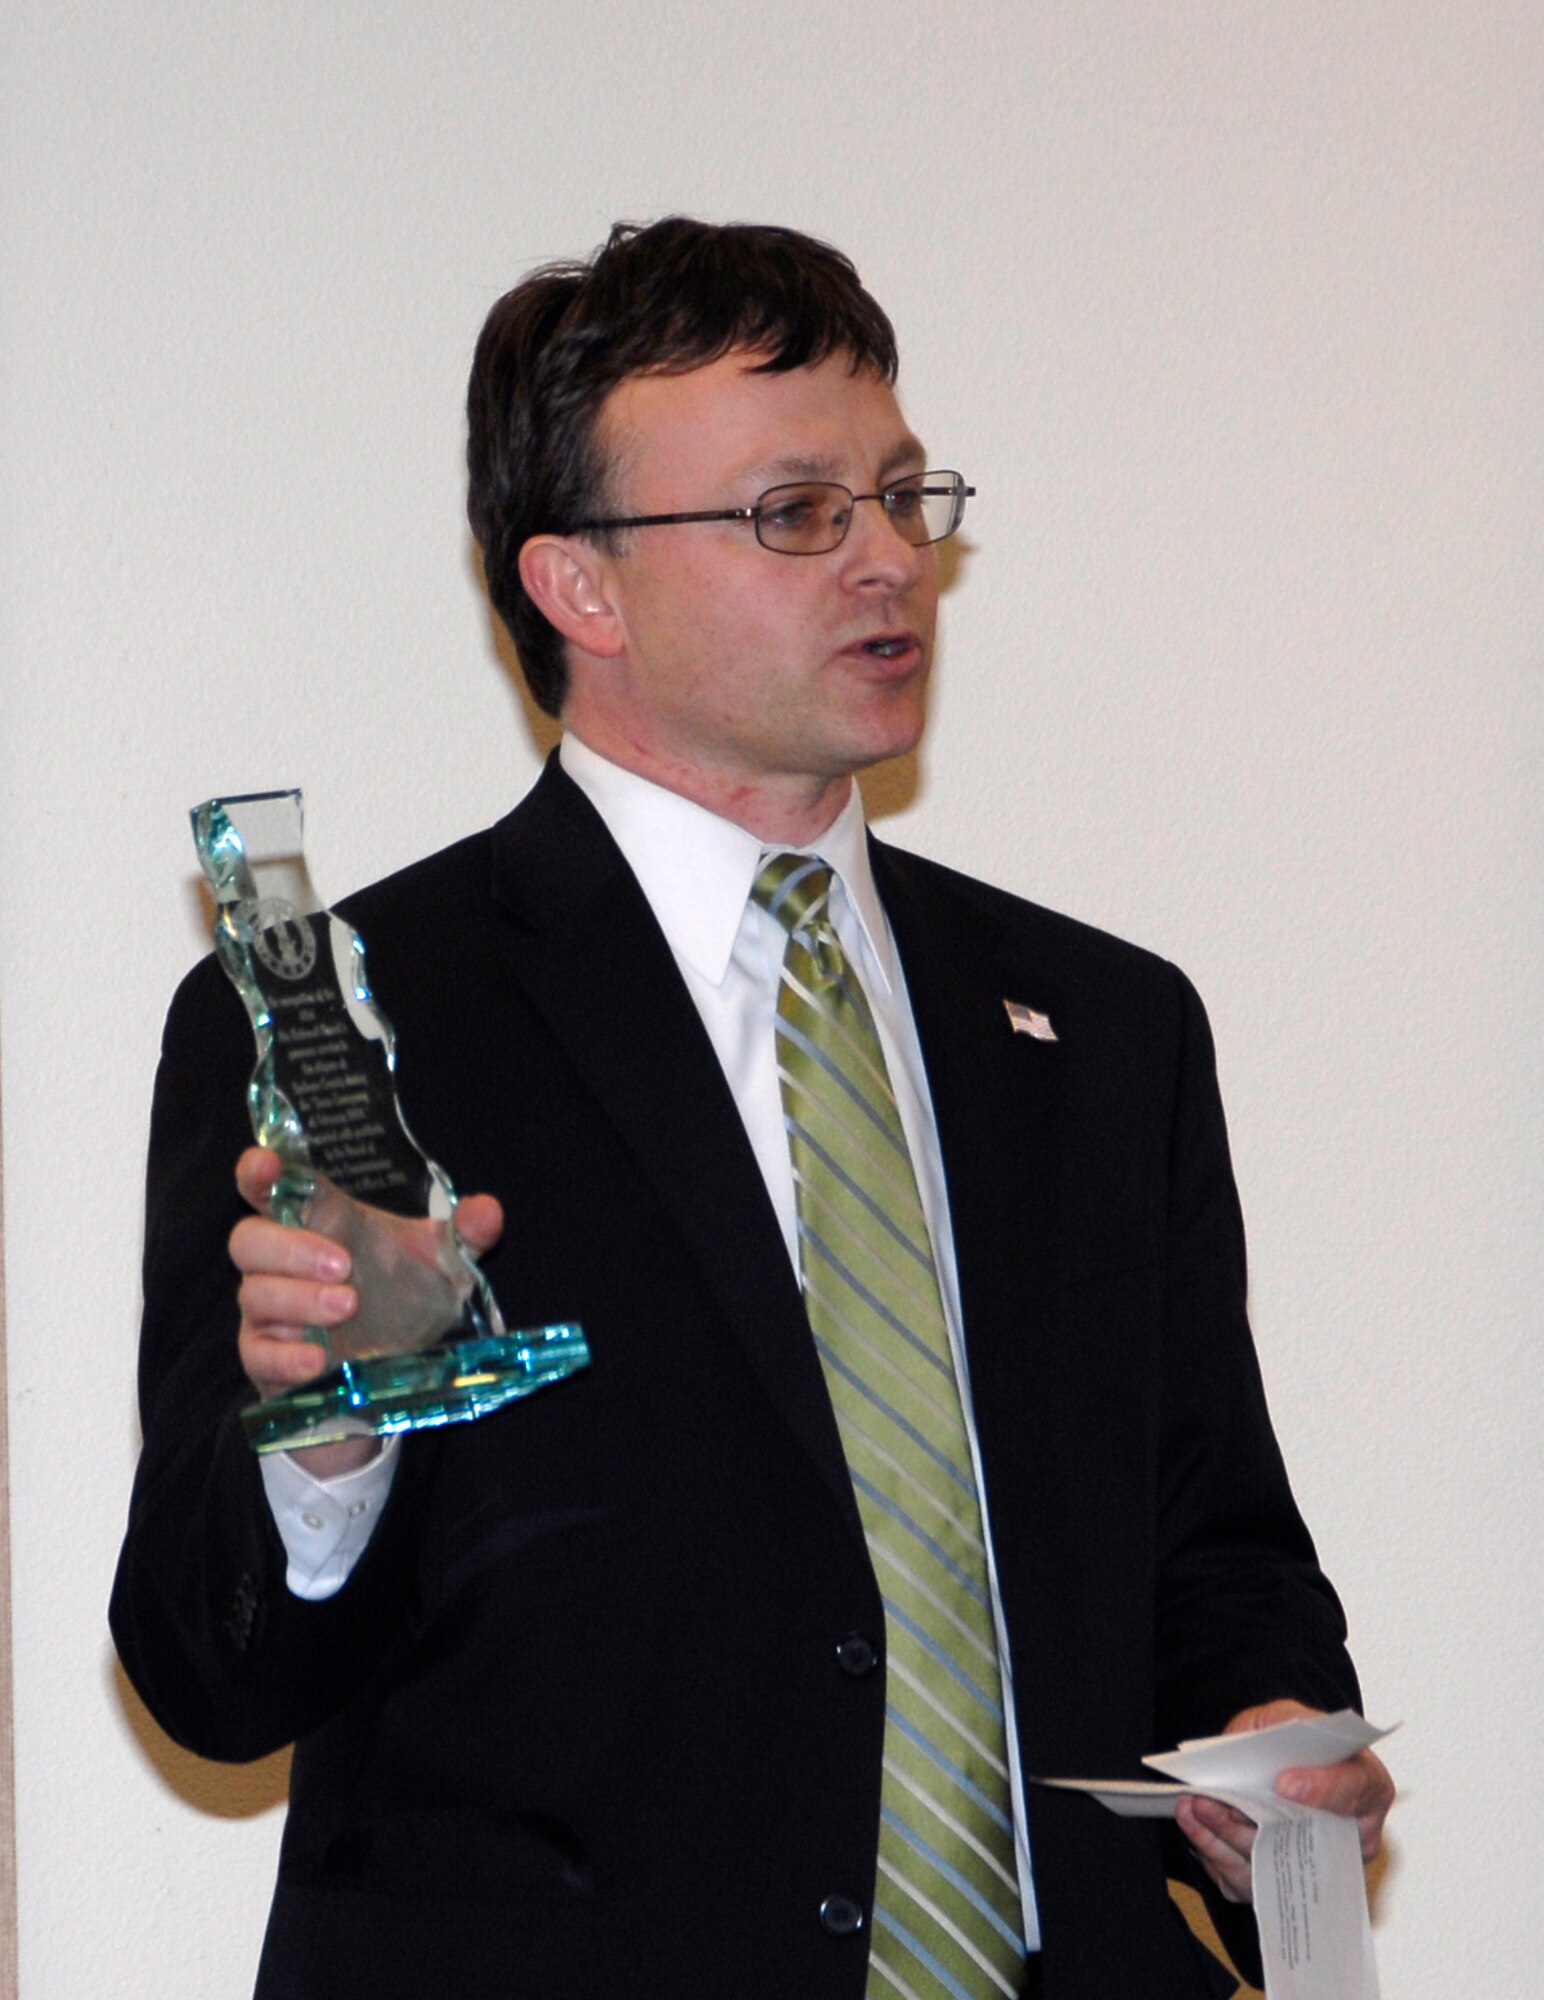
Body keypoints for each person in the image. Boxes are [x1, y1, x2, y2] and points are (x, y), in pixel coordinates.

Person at [111, 218, 1392, 2000]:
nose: (889, 562)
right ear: (583, 589)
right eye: (797, 514)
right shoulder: (371, 1020)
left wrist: (1271, 1748)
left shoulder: (1105, 1032)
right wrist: (329, 1440)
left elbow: (1216, 1555)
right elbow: (206, 1670)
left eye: (899, 495)